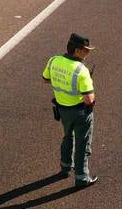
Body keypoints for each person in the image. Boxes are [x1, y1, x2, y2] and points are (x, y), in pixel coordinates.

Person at [42, 33, 98, 188]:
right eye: (85, 50)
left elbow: (46, 79)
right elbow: (89, 99)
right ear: (77, 51)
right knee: (83, 143)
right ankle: (81, 177)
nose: (87, 53)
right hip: (80, 113)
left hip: (62, 110)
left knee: (67, 136)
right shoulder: (82, 70)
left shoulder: (54, 60)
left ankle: (66, 166)